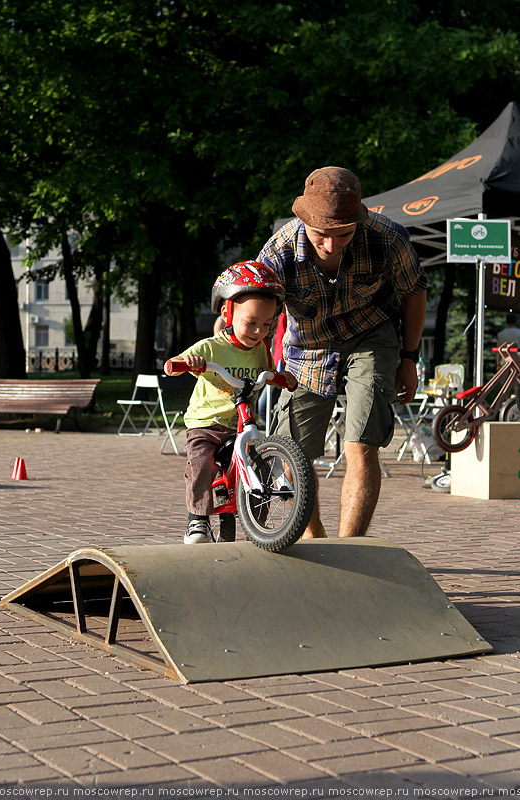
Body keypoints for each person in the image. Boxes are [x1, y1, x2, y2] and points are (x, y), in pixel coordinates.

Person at [257, 166, 427, 539]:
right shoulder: (278, 250)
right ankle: (314, 538)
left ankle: (351, 546)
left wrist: (409, 359)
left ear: (359, 220)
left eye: (344, 235)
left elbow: (414, 292)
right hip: (308, 347)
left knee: (361, 444)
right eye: (322, 236)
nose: (332, 246)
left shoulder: (387, 238)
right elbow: (254, 307)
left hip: (371, 337)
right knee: (292, 453)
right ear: (304, 220)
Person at [164, 261, 296, 544]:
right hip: (207, 424)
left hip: (241, 425)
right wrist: (189, 363)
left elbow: (269, 372)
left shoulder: (260, 349)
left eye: (266, 324)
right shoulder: (212, 346)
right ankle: (197, 520)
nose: (259, 331)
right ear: (227, 312)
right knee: (201, 463)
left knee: (258, 466)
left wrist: (281, 377)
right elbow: (172, 364)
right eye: (252, 323)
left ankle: (257, 525)